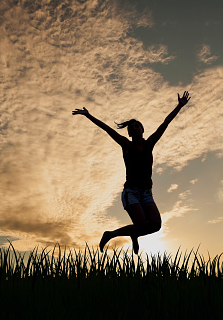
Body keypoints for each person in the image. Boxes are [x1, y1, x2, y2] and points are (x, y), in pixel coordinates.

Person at [72, 91, 190, 254]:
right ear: (129, 133)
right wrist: (88, 115)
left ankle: (134, 234)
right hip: (131, 193)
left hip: (147, 193)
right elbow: (107, 129)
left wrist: (179, 106)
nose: (134, 128)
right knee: (141, 226)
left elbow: (165, 123)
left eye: (137, 126)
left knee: (155, 225)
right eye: (131, 128)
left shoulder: (149, 143)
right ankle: (111, 234)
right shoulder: (126, 145)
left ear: (142, 129)